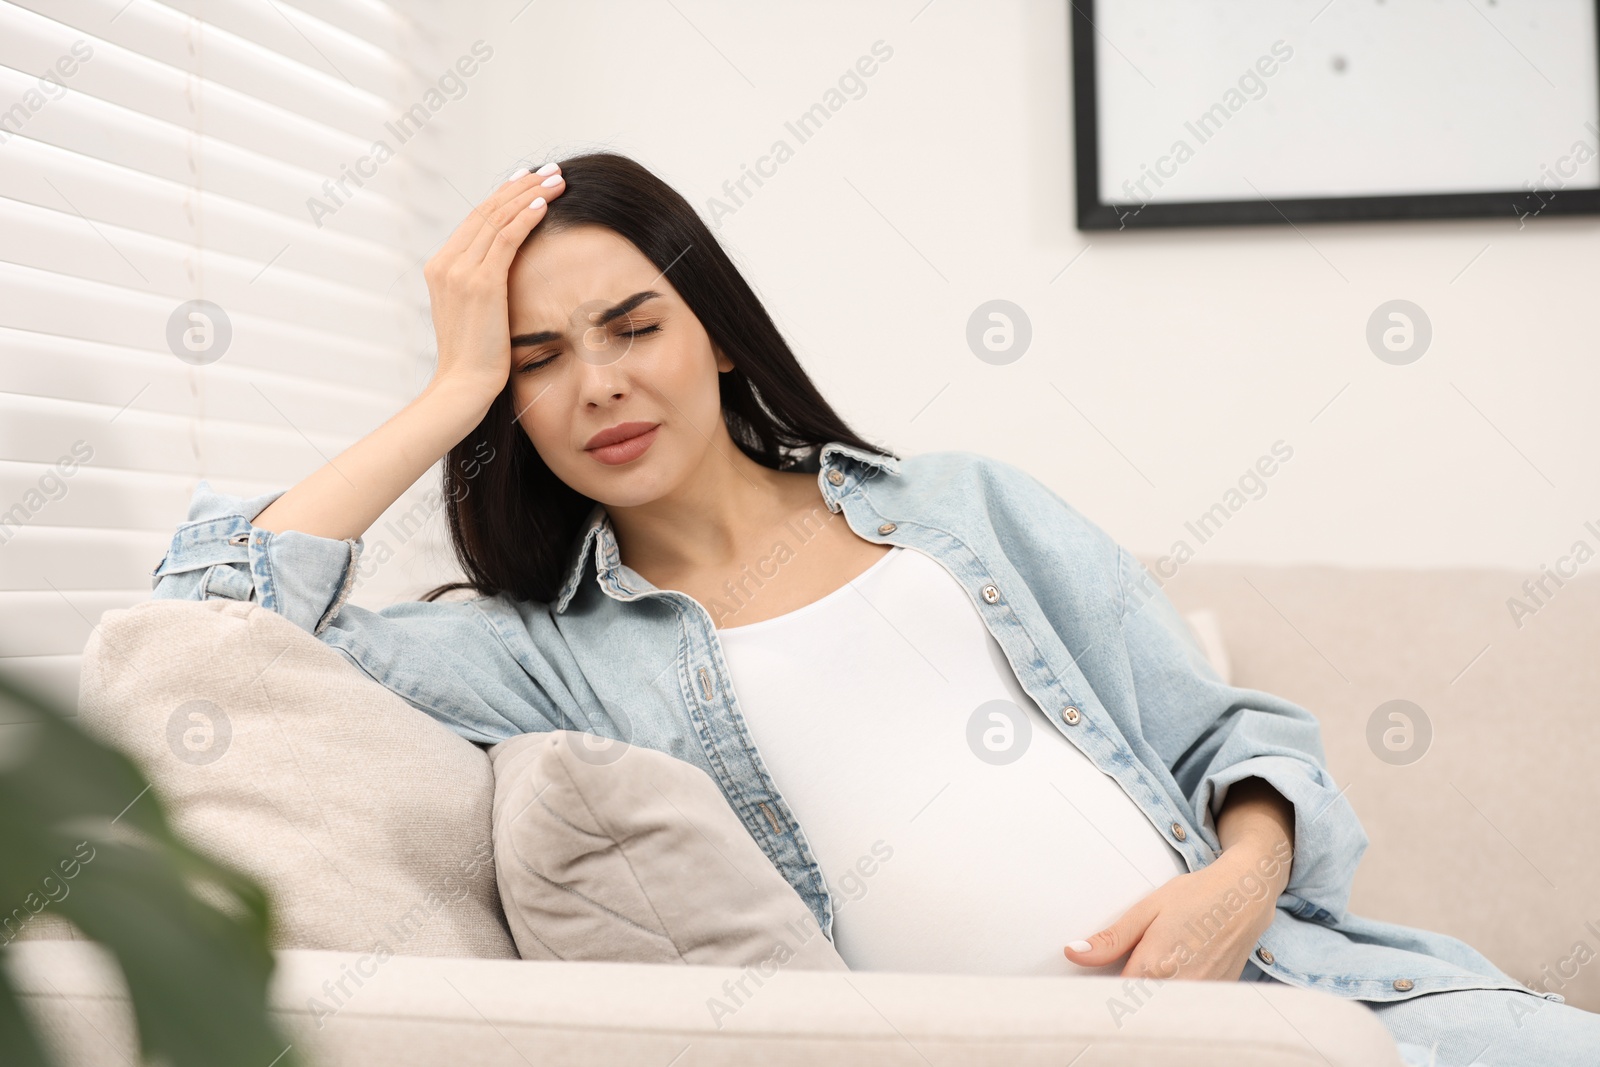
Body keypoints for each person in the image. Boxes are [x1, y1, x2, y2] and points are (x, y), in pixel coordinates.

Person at [150, 152, 1599, 1065]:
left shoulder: (962, 507)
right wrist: (447, 391)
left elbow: (1234, 737)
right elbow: (209, 628)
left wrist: (1237, 887)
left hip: (1300, 1006)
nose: (595, 385)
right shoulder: (534, 653)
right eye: (537, 358)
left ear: (715, 332)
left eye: (633, 326)